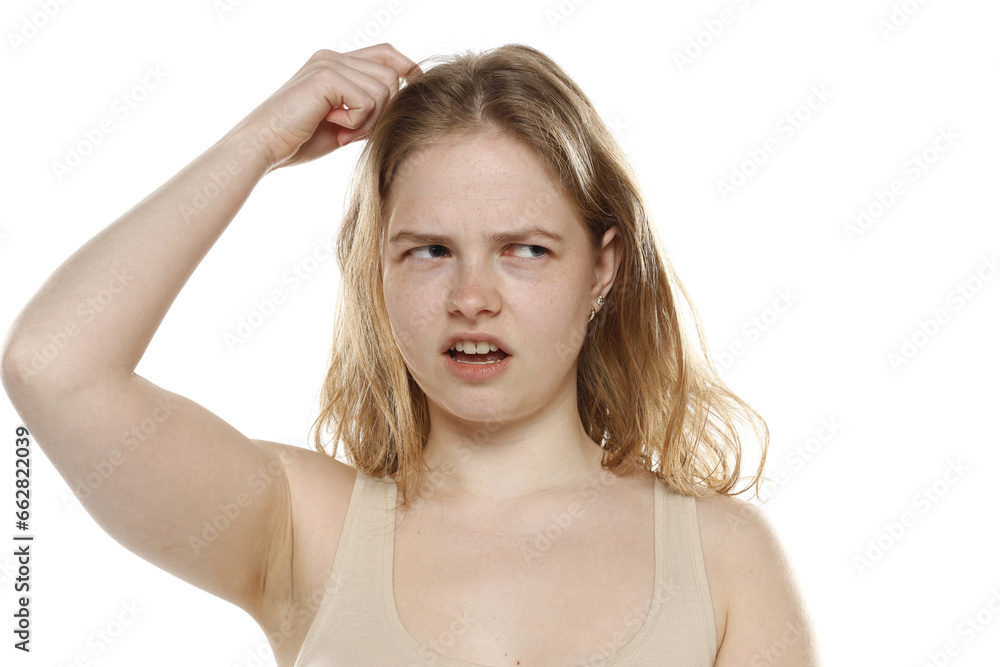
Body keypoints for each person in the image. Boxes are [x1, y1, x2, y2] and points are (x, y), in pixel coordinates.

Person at [1, 43, 820, 665]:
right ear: (377, 269)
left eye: (525, 250)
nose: (473, 297)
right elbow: (52, 364)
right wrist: (258, 142)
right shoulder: (301, 526)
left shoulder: (720, 557)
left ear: (603, 267)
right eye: (429, 250)